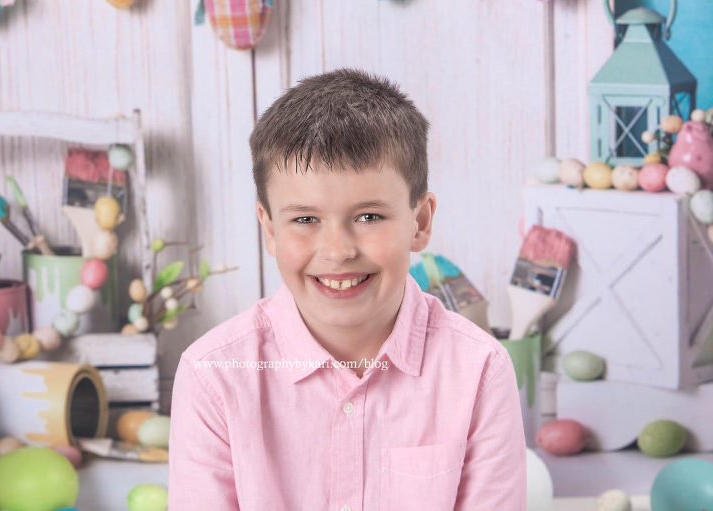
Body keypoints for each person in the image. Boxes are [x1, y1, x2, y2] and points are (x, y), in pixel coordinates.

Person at [168, 68, 526, 510]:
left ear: (421, 222)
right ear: (270, 229)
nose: (337, 251)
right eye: (304, 220)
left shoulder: (478, 370)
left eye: (369, 217)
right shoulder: (213, 376)